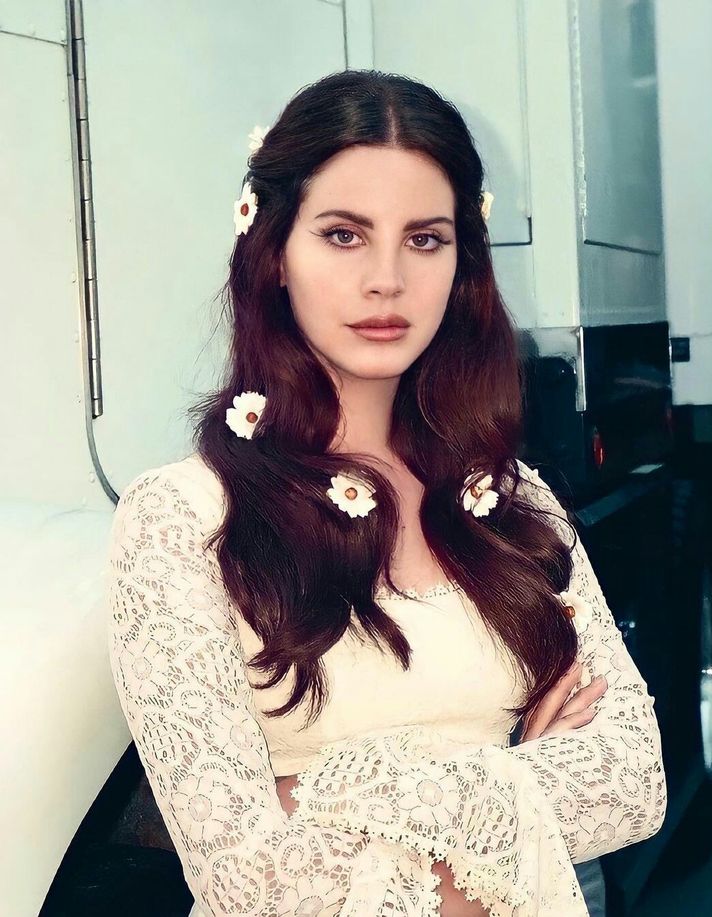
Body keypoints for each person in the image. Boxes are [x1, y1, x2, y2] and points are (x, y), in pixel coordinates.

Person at [106, 69, 667, 916]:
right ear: (273, 254)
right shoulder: (181, 520)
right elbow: (247, 882)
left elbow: (631, 780)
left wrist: (320, 798)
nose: (387, 279)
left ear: (460, 263)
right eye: (343, 234)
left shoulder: (516, 504)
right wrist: (515, 786)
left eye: (425, 238)